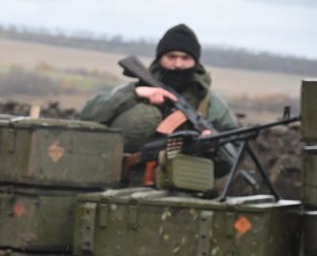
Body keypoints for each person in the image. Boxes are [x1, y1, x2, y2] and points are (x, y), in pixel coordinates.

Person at [80, 23, 239, 166]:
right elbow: (89, 116)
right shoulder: (137, 89)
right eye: (171, 57)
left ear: (195, 63)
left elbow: (235, 150)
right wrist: (135, 94)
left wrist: (213, 145)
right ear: (160, 59)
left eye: (185, 58)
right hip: (126, 177)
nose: (178, 64)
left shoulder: (210, 103)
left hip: (185, 183)